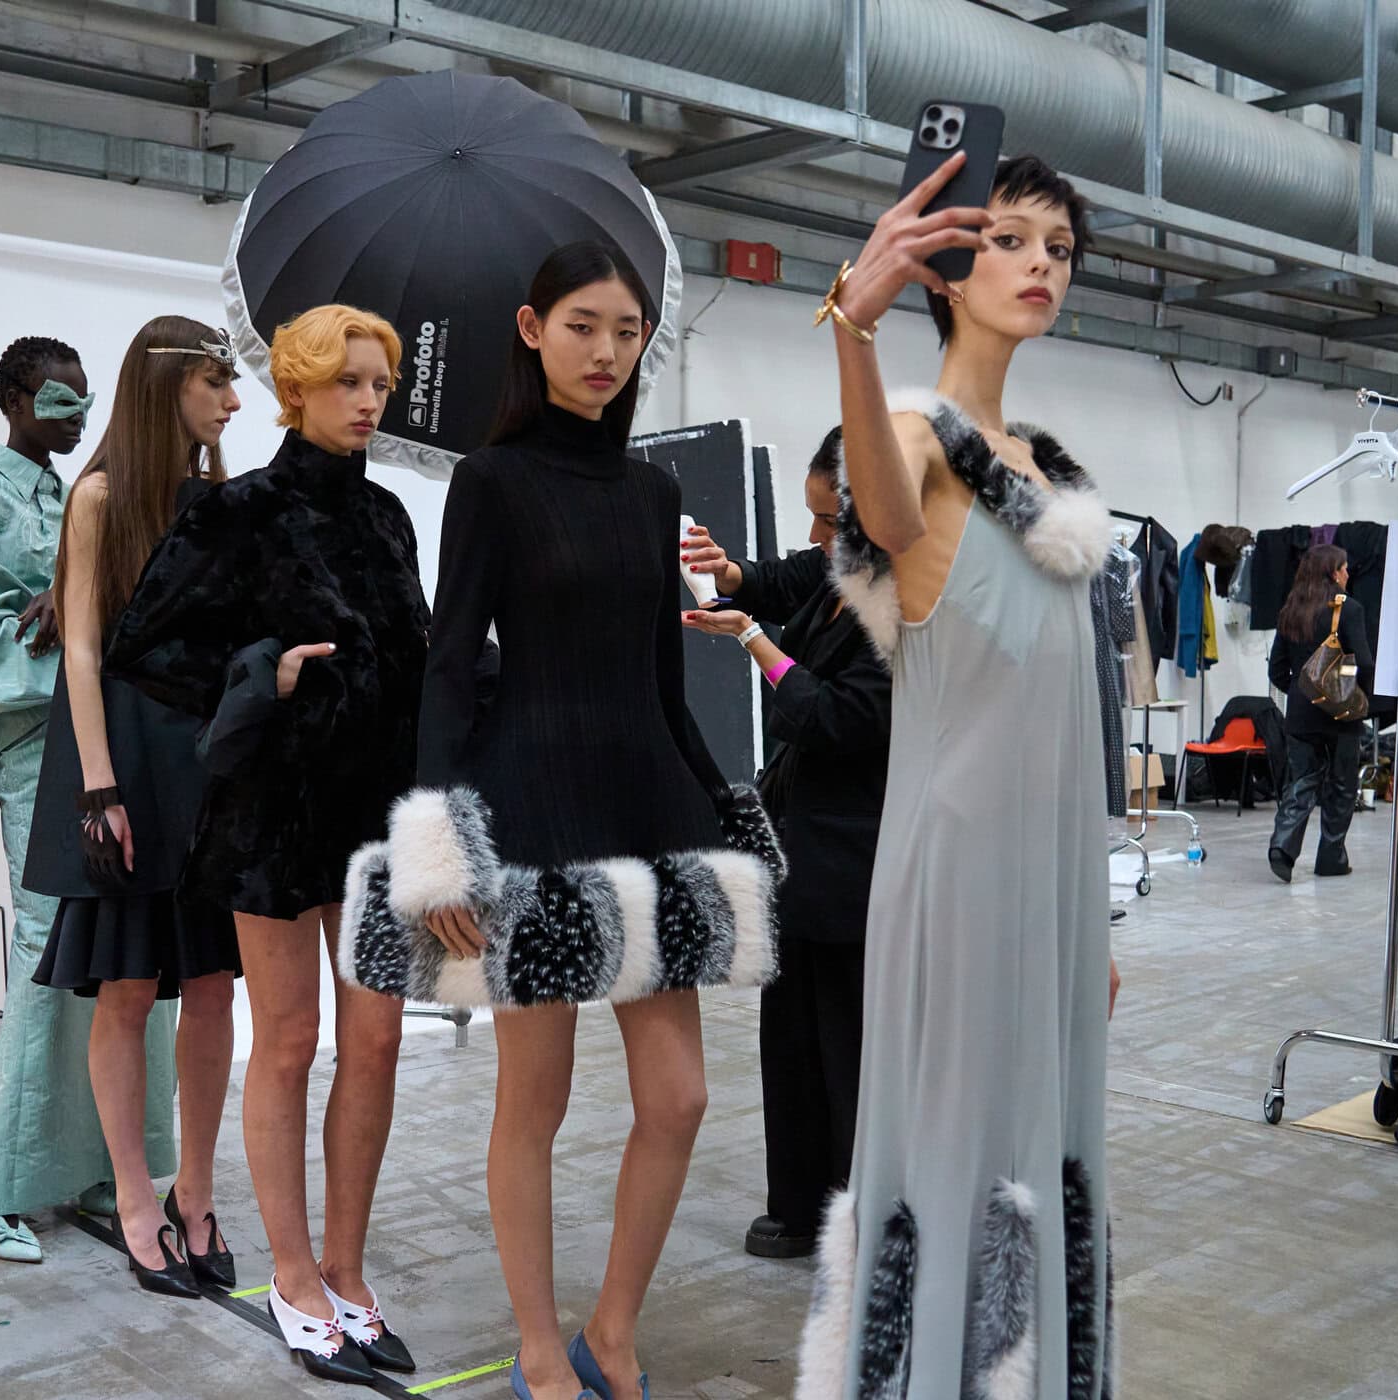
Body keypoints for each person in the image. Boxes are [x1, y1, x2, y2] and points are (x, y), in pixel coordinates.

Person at [339, 242, 783, 1400]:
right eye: (583, 325)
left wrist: (732, 816)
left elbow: (661, 680)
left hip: (643, 806)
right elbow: (449, 665)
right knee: (532, 1100)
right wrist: (434, 842)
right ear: (532, 330)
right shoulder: (491, 481)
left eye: (627, 331)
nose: (606, 351)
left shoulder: (652, 490)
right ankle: (539, 1346)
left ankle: (611, 1331)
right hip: (529, 813)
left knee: (678, 1097)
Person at [793, 155, 1118, 1400]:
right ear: (947, 269)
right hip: (954, 867)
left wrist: (1094, 911)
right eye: (1010, 238)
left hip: (1052, 877)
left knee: (1043, 1138)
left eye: (1058, 248)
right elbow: (881, 514)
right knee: (950, 1145)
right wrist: (852, 328)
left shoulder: (1047, 470)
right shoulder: (920, 435)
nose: (1040, 264)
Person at [103, 305, 428, 1381]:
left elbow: (414, 655)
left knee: (376, 1042)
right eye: (346, 382)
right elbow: (143, 644)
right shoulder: (235, 510)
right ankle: (292, 1273)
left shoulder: (386, 517)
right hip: (273, 812)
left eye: (379, 384)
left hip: (376, 812)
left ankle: (346, 1266)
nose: (367, 402)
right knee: (286, 1041)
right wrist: (261, 672)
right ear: (295, 389)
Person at [0, 335, 154, 1266]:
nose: (75, 417)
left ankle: (92, 1158)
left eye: (84, 403)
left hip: (98, 737)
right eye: (57, 401)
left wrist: (79, 601)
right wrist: (60, 607)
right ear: (13, 400)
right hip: (31, 744)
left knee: (106, 953)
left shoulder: (75, 491)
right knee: (47, 945)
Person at [24, 317, 244, 1299]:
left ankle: (197, 1188)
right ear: (166, 389)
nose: (230, 402)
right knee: (125, 986)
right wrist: (100, 786)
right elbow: (80, 648)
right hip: (125, 760)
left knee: (213, 985)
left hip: (208, 764)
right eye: (213, 383)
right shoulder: (101, 496)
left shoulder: (219, 502)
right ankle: (133, 1194)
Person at [679, 426, 892, 1263]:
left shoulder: (905, 604)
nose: (814, 537)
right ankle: (799, 1203)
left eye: (828, 521)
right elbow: (780, 577)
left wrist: (752, 642)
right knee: (791, 1038)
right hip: (802, 847)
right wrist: (729, 574)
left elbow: (833, 717)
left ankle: (857, 1217)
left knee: (847, 1048)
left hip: (856, 854)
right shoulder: (841, 570)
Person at [1265, 543, 1373, 883]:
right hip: (1342, 712)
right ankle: (1331, 856)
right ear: (1332, 573)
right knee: (1342, 784)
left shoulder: (1292, 610)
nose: (1348, 572)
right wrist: (1357, 698)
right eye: (1343, 567)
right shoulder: (1349, 609)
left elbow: (1276, 668)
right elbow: (1364, 663)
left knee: (1301, 780)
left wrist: (1304, 693)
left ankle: (1282, 847)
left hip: (1300, 712)